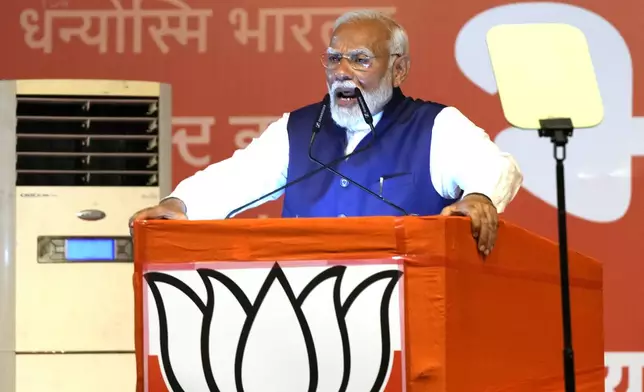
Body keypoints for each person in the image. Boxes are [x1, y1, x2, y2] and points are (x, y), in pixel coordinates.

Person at [129, 10, 523, 255]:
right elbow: (238, 177)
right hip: (310, 317)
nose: (342, 72)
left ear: (398, 70)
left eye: (360, 60)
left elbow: (496, 167)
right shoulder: (299, 129)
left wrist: (478, 197)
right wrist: (181, 205)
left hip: (410, 317)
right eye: (334, 58)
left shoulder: (435, 126)